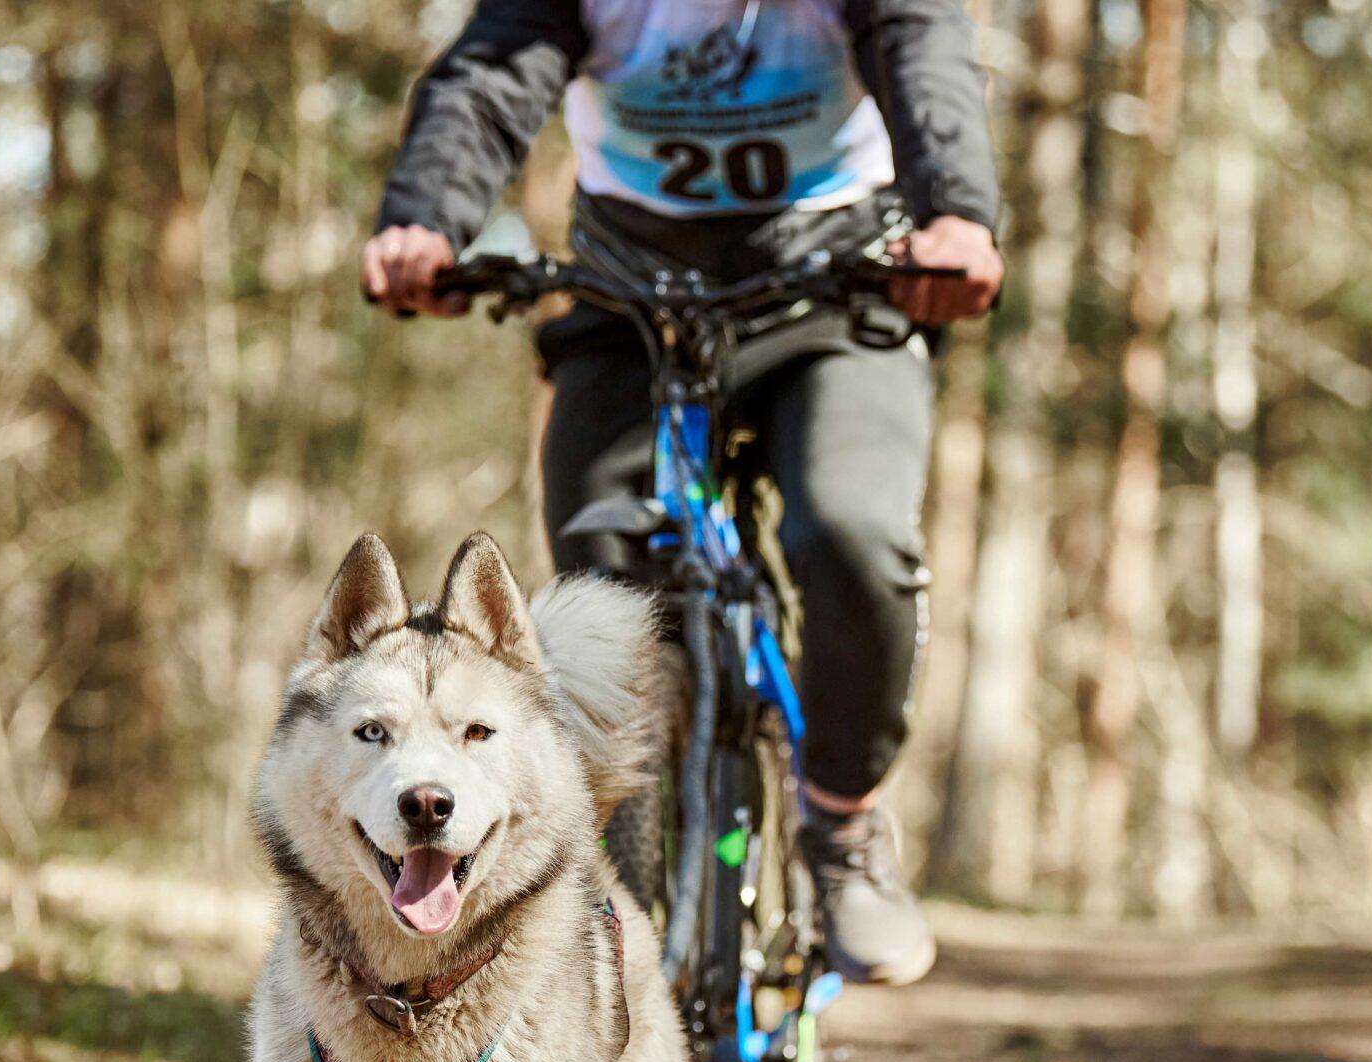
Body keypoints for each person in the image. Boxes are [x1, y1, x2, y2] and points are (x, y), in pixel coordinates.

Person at [362, 0, 1002, 986]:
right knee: (596, 590)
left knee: (853, 534)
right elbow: (490, 78)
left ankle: (840, 824)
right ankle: (610, 893)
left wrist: (954, 212)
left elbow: (923, 47)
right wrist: (423, 217)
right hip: (633, 298)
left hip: (834, 287)